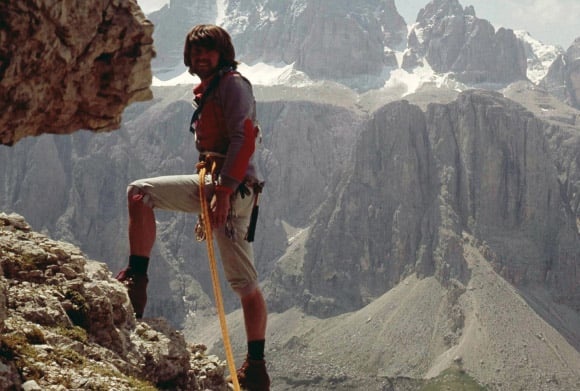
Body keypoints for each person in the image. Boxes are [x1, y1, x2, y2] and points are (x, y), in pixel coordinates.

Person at [115, 24, 270, 391]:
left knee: (244, 283)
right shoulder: (214, 87)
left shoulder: (232, 85)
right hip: (213, 184)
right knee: (140, 193)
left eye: (208, 51)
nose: (200, 57)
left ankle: (257, 368)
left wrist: (225, 193)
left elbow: (243, 138)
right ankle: (137, 281)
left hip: (229, 190)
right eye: (195, 52)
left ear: (222, 54)